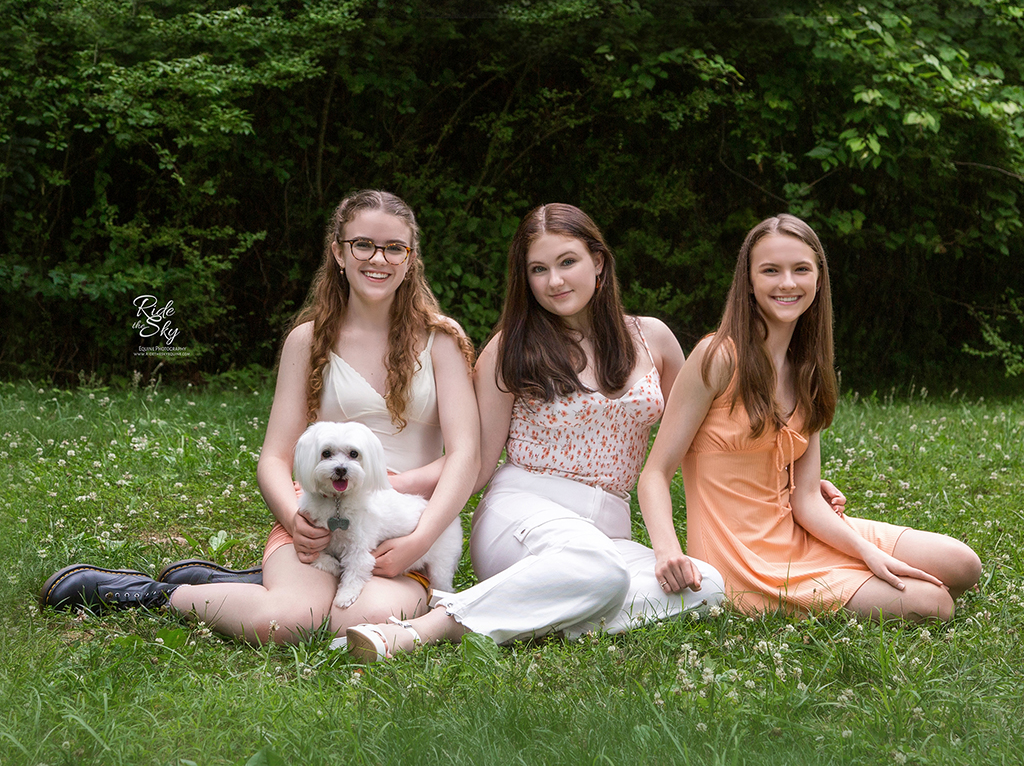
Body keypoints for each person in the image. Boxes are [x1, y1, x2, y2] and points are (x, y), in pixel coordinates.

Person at [40, 190, 481, 644]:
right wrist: (295, 520)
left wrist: (420, 535)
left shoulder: (441, 342)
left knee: (355, 625)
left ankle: (245, 583)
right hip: (319, 512)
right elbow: (274, 456)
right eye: (363, 244)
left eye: (395, 248)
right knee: (289, 620)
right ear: (339, 252)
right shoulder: (307, 341)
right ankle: (153, 593)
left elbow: (468, 455)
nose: (379, 259)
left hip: (404, 524)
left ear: (410, 259)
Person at [342, 203, 729, 661]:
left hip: (611, 532)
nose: (555, 281)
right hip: (521, 512)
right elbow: (476, 462)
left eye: (568, 262)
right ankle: (422, 631)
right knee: (599, 570)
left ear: (598, 261)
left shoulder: (653, 339)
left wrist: (790, 477)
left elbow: (702, 439)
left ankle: (542, 610)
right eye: (538, 270)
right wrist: (389, 485)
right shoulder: (511, 348)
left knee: (707, 588)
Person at [637, 214, 982, 621]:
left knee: (963, 565)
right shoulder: (718, 358)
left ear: (819, 280)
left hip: (799, 530)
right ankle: (843, 584)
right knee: (935, 604)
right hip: (743, 559)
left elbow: (805, 502)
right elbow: (655, 474)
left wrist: (865, 551)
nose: (787, 283)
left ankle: (851, 570)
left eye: (801, 269)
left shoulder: (809, 370)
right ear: (748, 281)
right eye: (770, 270)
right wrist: (668, 552)